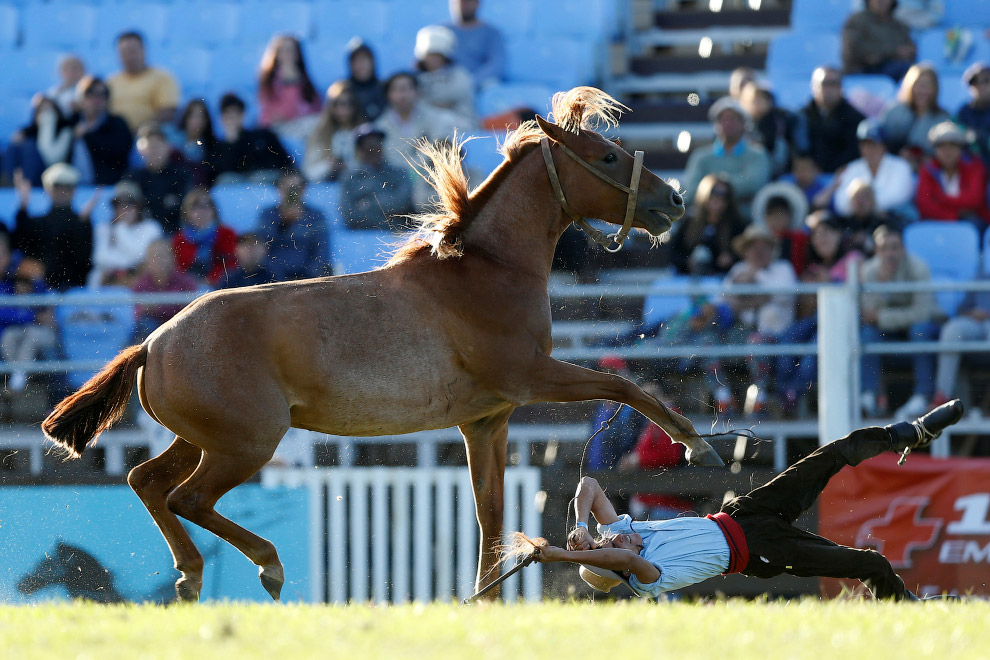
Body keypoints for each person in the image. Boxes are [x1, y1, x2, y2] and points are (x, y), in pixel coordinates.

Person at [520, 400, 965, 601]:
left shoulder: (623, 536)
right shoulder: (644, 576)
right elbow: (620, 560)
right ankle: (904, 607)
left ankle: (910, 433)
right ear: (616, 566)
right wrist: (556, 555)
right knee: (869, 565)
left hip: (744, 513)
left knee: (828, 456)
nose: (614, 540)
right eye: (609, 550)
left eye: (607, 542)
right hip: (757, 551)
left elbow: (590, 487)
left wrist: (577, 527)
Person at [774, 211, 862, 415]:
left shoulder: (854, 260)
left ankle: (791, 396)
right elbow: (804, 312)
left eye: (827, 232)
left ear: (839, 235)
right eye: (816, 234)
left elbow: (856, 299)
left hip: (844, 322)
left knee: (815, 348)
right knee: (787, 339)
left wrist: (829, 282)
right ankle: (783, 395)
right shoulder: (812, 268)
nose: (822, 238)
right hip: (817, 320)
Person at [860, 224, 938, 418]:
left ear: (903, 248)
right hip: (891, 332)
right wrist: (883, 286)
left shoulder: (919, 268)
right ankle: (869, 395)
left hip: (920, 330)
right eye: (884, 248)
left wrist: (883, 316)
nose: (890, 253)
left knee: (920, 329)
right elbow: (869, 315)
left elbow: (921, 314)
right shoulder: (869, 271)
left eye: (894, 247)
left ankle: (923, 395)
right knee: (867, 333)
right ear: (877, 251)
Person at [722, 224, 797, 415]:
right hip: (744, 332)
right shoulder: (739, 269)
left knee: (756, 343)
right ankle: (723, 398)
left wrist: (751, 285)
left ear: (772, 249)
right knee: (710, 342)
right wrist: (757, 295)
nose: (758, 251)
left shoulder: (783, 269)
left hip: (777, 336)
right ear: (745, 250)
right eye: (753, 246)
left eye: (764, 246)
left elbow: (782, 295)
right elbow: (725, 301)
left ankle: (759, 401)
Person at [681, 97, 771, 215]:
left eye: (733, 119)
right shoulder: (700, 156)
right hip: (706, 219)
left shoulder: (758, 154)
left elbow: (753, 184)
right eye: (722, 119)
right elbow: (691, 190)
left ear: (744, 124)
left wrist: (712, 186)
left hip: (743, 219)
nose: (727, 123)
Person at [11, 164, 94, 292]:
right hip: (40, 291)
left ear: (74, 191)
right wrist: (23, 207)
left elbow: (83, 260)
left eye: (67, 188)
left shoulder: (83, 222)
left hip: (74, 290)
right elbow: (19, 244)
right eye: (57, 187)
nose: (62, 192)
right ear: (48, 189)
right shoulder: (36, 223)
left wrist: (82, 225)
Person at [0, 231, 54, 393]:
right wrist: (34, 316)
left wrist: (36, 280)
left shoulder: (18, 275)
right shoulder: (7, 284)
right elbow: (5, 314)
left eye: (1, 253)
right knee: (9, 336)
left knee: (32, 335)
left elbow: (47, 305)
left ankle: (19, 374)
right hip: (11, 339)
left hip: (34, 336)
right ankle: (19, 373)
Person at [257, 170, 332, 281]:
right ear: (279, 188)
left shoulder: (316, 216)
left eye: (296, 188)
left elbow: (322, 251)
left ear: (304, 189)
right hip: (273, 279)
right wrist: (284, 224)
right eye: (287, 188)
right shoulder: (268, 215)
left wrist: (306, 277)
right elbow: (263, 248)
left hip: (308, 279)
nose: (291, 193)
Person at [666, 174, 747, 275]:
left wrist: (731, 258)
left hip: (721, 279)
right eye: (713, 192)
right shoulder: (690, 221)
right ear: (704, 193)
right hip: (687, 278)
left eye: (724, 195)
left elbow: (745, 254)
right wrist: (686, 262)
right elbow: (672, 252)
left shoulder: (736, 224)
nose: (717, 198)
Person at [833, 120, 915, 219]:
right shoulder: (852, 168)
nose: (869, 149)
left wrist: (861, 203)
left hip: (892, 221)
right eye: (865, 145)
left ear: (884, 146)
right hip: (859, 222)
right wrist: (867, 204)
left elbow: (899, 197)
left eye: (874, 144)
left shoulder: (901, 166)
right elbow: (840, 204)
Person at [88, 181, 164, 287]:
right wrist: (125, 268)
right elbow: (100, 258)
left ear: (139, 207)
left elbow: (141, 256)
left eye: (130, 205)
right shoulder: (104, 228)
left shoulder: (152, 227)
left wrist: (119, 231)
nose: (125, 210)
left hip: (139, 278)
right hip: (110, 279)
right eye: (119, 205)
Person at [340, 123, 414, 230]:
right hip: (364, 237)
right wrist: (387, 215)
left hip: (397, 233)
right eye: (368, 146)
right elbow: (350, 215)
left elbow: (404, 203)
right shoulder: (350, 178)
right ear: (359, 150)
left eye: (377, 144)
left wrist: (368, 204)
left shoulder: (399, 173)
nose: (373, 149)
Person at [931, 280, 990, 412]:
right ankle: (942, 397)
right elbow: (962, 309)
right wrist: (973, 313)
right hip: (976, 323)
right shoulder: (982, 276)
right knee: (951, 330)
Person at [124, 122, 192, 235]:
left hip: (176, 234)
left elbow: (188, 207)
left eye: (158, 145)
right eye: (149, 146)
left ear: (168, 147)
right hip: (141, 236)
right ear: (140, 150)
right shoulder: (132, 177)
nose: (154, 150)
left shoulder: (181, 175)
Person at [794, 67, 866, 175]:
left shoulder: (855, 118)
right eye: (824, 83)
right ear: (813, 86)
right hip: (807, 177)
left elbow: (853, 153)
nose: (828, 89)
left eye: (833, 83)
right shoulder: (800, 117)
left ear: (841, 87)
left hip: (841, 177)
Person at [916, 121, 989, 224]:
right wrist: (955, 215)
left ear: (960, 148)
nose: (947, 151)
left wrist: (940, 198)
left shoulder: (975, 167)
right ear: (935, 149)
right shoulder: (927, 169)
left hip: (972, 222)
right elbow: (924, 204)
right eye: (941, 146)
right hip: (936, 222)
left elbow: (974, 200)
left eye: (953, 145)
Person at [213, 93, 294, 185]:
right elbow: (221, 172)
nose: (232, 118)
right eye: (228, 114)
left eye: (236, 113)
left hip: (267, 181)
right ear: (221, 118)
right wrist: (231, 142)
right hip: (242, 185)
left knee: (258, 178)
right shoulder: (218, 146)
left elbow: (285, 161)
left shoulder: (263, 135)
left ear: (243, 114)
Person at [108, 31, 180, 132]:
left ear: (144, 51)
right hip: (116, 136)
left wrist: (141, 130)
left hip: (150, 135)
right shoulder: (110, 82)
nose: (129, 57)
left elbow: (168, 112)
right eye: (124, 53)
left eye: (132, 51)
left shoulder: (162, 77)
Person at [131, 239, 200, 341]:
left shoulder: (187, 283)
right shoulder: (141, 284)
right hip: (150, 331)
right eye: (154, 256)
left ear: (172, 258)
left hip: (180, 329)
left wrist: (156, 307)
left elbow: (191, 312)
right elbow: (139, 313)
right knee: (144, 325)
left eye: (162, 255)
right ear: (147, 261)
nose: (158, 260)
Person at [585, 356, 645, 471]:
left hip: (618, 476)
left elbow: (631, 441)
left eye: (611, 374)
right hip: (596, 473)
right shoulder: (599, 409)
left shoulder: (630, 409)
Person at [70, 76, 132, 186]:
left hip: (107, 187)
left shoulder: (117, 123)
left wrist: (88, 135)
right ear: (80, 98)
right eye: (90, 93)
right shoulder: (70, 121)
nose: (97, 99)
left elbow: (118, 153)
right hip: (70, 188)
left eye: (103, 94)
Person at [878, 63, 949, 159]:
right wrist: (898, 152)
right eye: (918, 85)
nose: (923, 90)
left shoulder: (943, 118)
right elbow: (880, 142)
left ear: (935, 88)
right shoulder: (893, 112)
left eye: (928, 85)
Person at [171, 188, 238, 286]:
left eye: (205, 206)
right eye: (194, 208)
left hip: (221, 285)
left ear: (214, 211)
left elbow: (232, 264)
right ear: (187, 213)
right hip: (187, 288)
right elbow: (176, 269)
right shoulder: (179, 239)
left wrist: (211, 279)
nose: (200, 212)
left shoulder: (227, 234)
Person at [4, 96, 74, 187]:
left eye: (49, 111)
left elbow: (50, 158)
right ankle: (7, 182)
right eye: (42, 111)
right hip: (31, 172)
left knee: (29, 146)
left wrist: (48, 124)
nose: (46, 115)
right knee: (14, 147)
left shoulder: (65, 131)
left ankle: (27, 183)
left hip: (51, 175)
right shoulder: (29, 132)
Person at [414, 25, 477, 126]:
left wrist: (434, 103)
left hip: (459, 121)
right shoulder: (417, 79)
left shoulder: (459, 75)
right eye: (430, 56)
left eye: (437, 56)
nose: (433, 60)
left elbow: (459, 94)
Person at [303, 81, 364, 182]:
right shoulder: (320, 133)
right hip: (328, 188)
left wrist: (349, 166)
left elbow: (373, 168)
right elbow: (309, 173)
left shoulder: (364, 132)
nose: (343, 110)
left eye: (349, 103)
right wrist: (329, 165)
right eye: (337, 104)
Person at [257, 34, 322, 131]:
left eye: (291, 50)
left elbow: (316, 109)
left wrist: (295, 81)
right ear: (276, 54)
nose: (287, 54)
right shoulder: (268, 82)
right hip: (277, 131)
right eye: (283, 50)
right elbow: (267, 114)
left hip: (302, 128)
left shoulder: (306, 82)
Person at [841, 0, 916, 81]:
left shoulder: (898, 24)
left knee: (912, 71)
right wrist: (893, 52)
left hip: (893, 69)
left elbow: (909, 49)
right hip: (862, 69)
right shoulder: (856, 20)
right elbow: (852, 49)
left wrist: (908, 52)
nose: (880, 1)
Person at [750, 181, 810, 275]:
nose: (776, 221)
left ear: (789, 216)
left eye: (781, 215)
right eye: (771, 215)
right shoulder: (756, 237)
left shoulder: (799, 239)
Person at [739, 80, 796, 178]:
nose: (758, 105)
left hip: (776, 169)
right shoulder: (743, 123)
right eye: (754, 101)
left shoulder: (779, 120)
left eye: (762, 100)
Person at [446, 0, 505, 89]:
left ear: (477, 4)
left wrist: (469, 82)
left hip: (477, 86)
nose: (463, 5)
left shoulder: (491, 33)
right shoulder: (441, 32)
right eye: (459, 2)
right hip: (446, 84)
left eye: (467, 2)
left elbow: (496, 65)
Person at [173, 99, 219, 186]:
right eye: (193, 116)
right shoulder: (173, 142)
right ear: (185, 117)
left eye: (201, 117)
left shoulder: (212, 146)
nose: (197, 121)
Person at [955, 62, 990, 166]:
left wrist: (982, 138)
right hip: (969, 170)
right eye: (974, 81)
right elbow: (953, 134)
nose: (980, 85)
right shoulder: (963, 111)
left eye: (986, 80)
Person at [345, 39, 386, 121]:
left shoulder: (385, 89)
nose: (362, 64)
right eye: (357, 60)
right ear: (350, 64)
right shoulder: (343, 90)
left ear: (373, 62)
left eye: (365, 59)